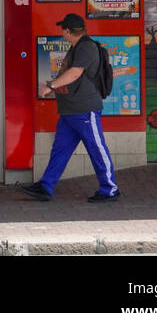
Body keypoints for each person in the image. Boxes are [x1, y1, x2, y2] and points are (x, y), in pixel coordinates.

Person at [20, 13, 120, 202]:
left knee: (97, 148)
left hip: (84, 109)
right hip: (70, 111)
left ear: (67, 31)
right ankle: (45, 186)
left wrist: (50, 86)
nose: (62, 34)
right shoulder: (77, 48)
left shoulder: (86, 48)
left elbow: (74, 73)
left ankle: (110, 189)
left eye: (63, 31)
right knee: (60, 149)